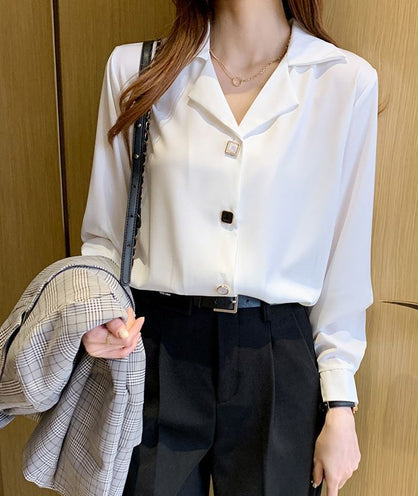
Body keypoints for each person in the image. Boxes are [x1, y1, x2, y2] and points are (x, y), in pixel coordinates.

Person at [79, 0, 378, 495]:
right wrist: (97, 316)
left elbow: (344, 259)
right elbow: (105, 236)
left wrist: (340, 403)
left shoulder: (344, 81)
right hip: (159, 349)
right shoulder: (136, 69)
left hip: (277, 357)